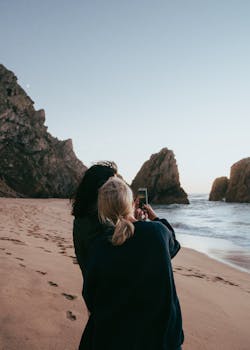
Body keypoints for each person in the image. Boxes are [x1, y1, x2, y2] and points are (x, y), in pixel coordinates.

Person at [80, 177, 184, 350]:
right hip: (161, 340)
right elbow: (173, 246)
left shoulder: (99, 246)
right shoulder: (157, 233)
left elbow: (90, 295)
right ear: (132, 203)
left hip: (116, 339)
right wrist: (153, 218)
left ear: (103, 210)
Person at [72, 161, 118, 276]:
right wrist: (137, 224)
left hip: (91, 288)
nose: (117, 190)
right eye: (113, 186)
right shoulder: (103, 226)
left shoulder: (80, 220)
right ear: (101, 189)